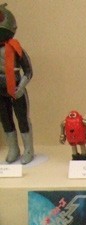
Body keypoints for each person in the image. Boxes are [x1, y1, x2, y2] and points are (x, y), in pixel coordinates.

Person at [0, 4, 33, 165]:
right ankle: (13, 148)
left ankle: (28, 149)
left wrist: (21, 87)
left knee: (22, 119)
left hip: (16, 87)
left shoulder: (16, 49)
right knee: (5, 119)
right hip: (0, 91)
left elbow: (28, 71)